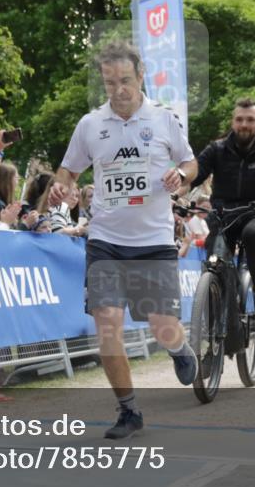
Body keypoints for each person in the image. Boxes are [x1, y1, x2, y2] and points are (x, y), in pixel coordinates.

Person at [48, 40, 198, 440]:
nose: (119, 89)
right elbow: (67, 172)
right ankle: (128, 411)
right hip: (106, 240)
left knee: (162, 326)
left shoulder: (165, 120)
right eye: (110, 82)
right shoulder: (90, 125)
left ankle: (180, 349)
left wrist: (181, 177)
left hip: (154, 241)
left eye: (126, 80)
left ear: (141, 75)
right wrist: (61, 188)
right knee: (108, 326)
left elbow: (190, 162)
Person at [185, 97, 255, 323]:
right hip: (223, 214)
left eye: (250, 120)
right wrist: (176, 193)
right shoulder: (217, 149)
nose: (244, 124)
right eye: (240, 120)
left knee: (252, 235)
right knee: (216, 261)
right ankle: (220, 304)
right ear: (233, 122)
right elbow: (195, 176)